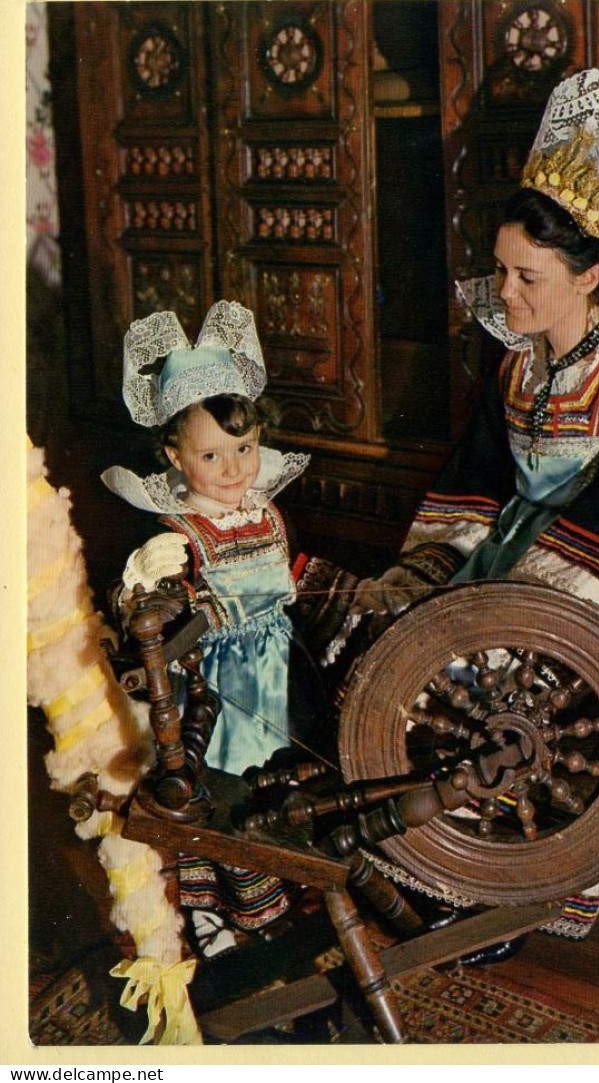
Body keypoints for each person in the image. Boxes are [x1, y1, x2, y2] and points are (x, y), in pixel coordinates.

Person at [341, 68, 599, 947]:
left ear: (591, 273)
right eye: (500, 270)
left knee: (536, 710)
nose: (507, 293)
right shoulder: (518, 368)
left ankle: (522, 890)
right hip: (518, 555)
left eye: (526, 275)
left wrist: (517, 615)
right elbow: (474, 484)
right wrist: (427, 580)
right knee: (423, 665)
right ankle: (451, 864)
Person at [103, 299, 355, 959]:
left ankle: (285, 905)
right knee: (230, 798)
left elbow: (293, 577)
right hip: (220, 691)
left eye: (244, 448)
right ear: (175, 456)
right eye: (212, 454)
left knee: (291, 782)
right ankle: (226, 919)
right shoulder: (182, 532)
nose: (235, 468)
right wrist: (146, 581)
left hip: (281, 675)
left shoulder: (263, 512)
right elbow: (149, 606)